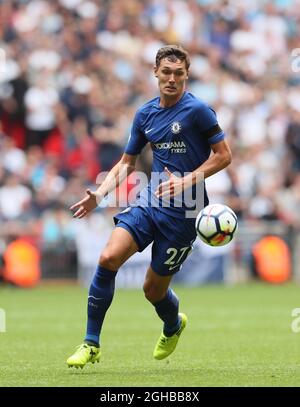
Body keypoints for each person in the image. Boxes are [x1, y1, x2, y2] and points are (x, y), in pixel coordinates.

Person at [66, 45, 232, 368]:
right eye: (166, 73)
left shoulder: (199, 111)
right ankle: (91, 343)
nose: (172, 79)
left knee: (152, 291)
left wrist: (188, 180)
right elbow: (126, 163)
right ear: (155, 72)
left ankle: (173, 324)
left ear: (186, 75)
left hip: (186, 211)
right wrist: (100, 195)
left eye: (178, 74)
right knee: (108, 257)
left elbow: (224, 155)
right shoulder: (145, 114)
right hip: (151, 200)